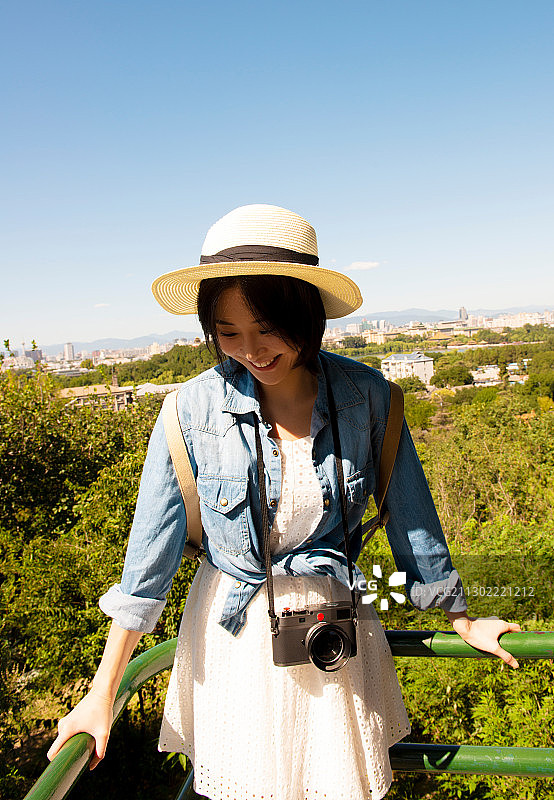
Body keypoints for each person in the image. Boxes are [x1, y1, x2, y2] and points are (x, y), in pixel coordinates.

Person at [47, 204, 521, 800]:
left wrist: (462, 619)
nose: (252, 350)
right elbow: (148, 564)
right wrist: (101, 692)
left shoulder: (369, 398)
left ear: (305, 314)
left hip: (336, 632)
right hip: (235, 637)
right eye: (228, 334)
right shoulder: (190, 411)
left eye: (268, 328)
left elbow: (412, 521)